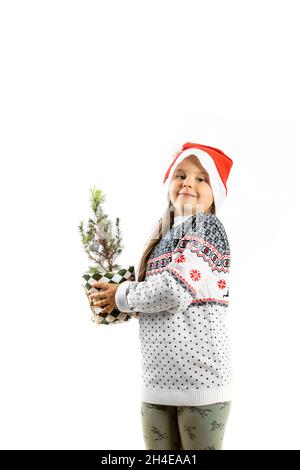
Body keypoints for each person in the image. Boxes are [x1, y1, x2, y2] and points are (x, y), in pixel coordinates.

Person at [89, 142, 234, 450]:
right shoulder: (161, 235)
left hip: (200, 383)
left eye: (201, 178)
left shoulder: (207, 227)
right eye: (180, 175)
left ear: (215, 192)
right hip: (157, 384)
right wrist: (110, 295)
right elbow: (147, 299)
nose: (188, 183)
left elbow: (174, 290)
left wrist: (121, 295)